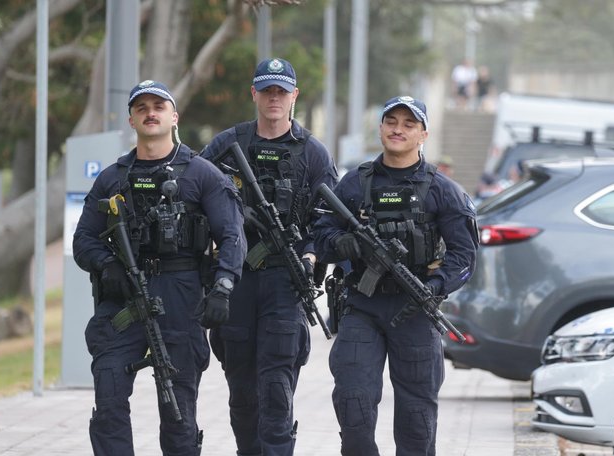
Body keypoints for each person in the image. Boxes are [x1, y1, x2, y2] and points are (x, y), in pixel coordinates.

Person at [73, 79, 246, 456]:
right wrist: (107, 265)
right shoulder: (112, 178)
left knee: (178, 412)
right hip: (123, 297)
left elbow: (233, 236)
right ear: (131, 120)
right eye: (142, 108)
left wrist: (223, 287)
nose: (150, 113)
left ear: (174, 117)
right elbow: (83, 239)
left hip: (180, 296)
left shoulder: (201, 174)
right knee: (108, 398)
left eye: (158, 106)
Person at [313, 95, 479, 456]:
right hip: (362, 306)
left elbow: (464, 256)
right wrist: (342, 243)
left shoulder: (442, 190)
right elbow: (321, 235)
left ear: (424, 134)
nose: (398, 129)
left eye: (408, 124)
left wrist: (435, 286)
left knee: (417, 422)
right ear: (380, 128)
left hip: (415, 310)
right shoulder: (354, 184)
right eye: (391, 122)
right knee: (353, 406)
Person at [200, 57, 338, 455]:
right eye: (267, 91)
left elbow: (327, 219)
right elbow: (193, 192)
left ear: (294, 96)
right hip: (237, 278)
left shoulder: (312, 153)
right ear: (254, 94)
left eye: (281, 91)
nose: (274, 98)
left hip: (285, 281)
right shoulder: (228, 146)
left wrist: (311, 257)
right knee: (243, 394)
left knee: (276, 390)